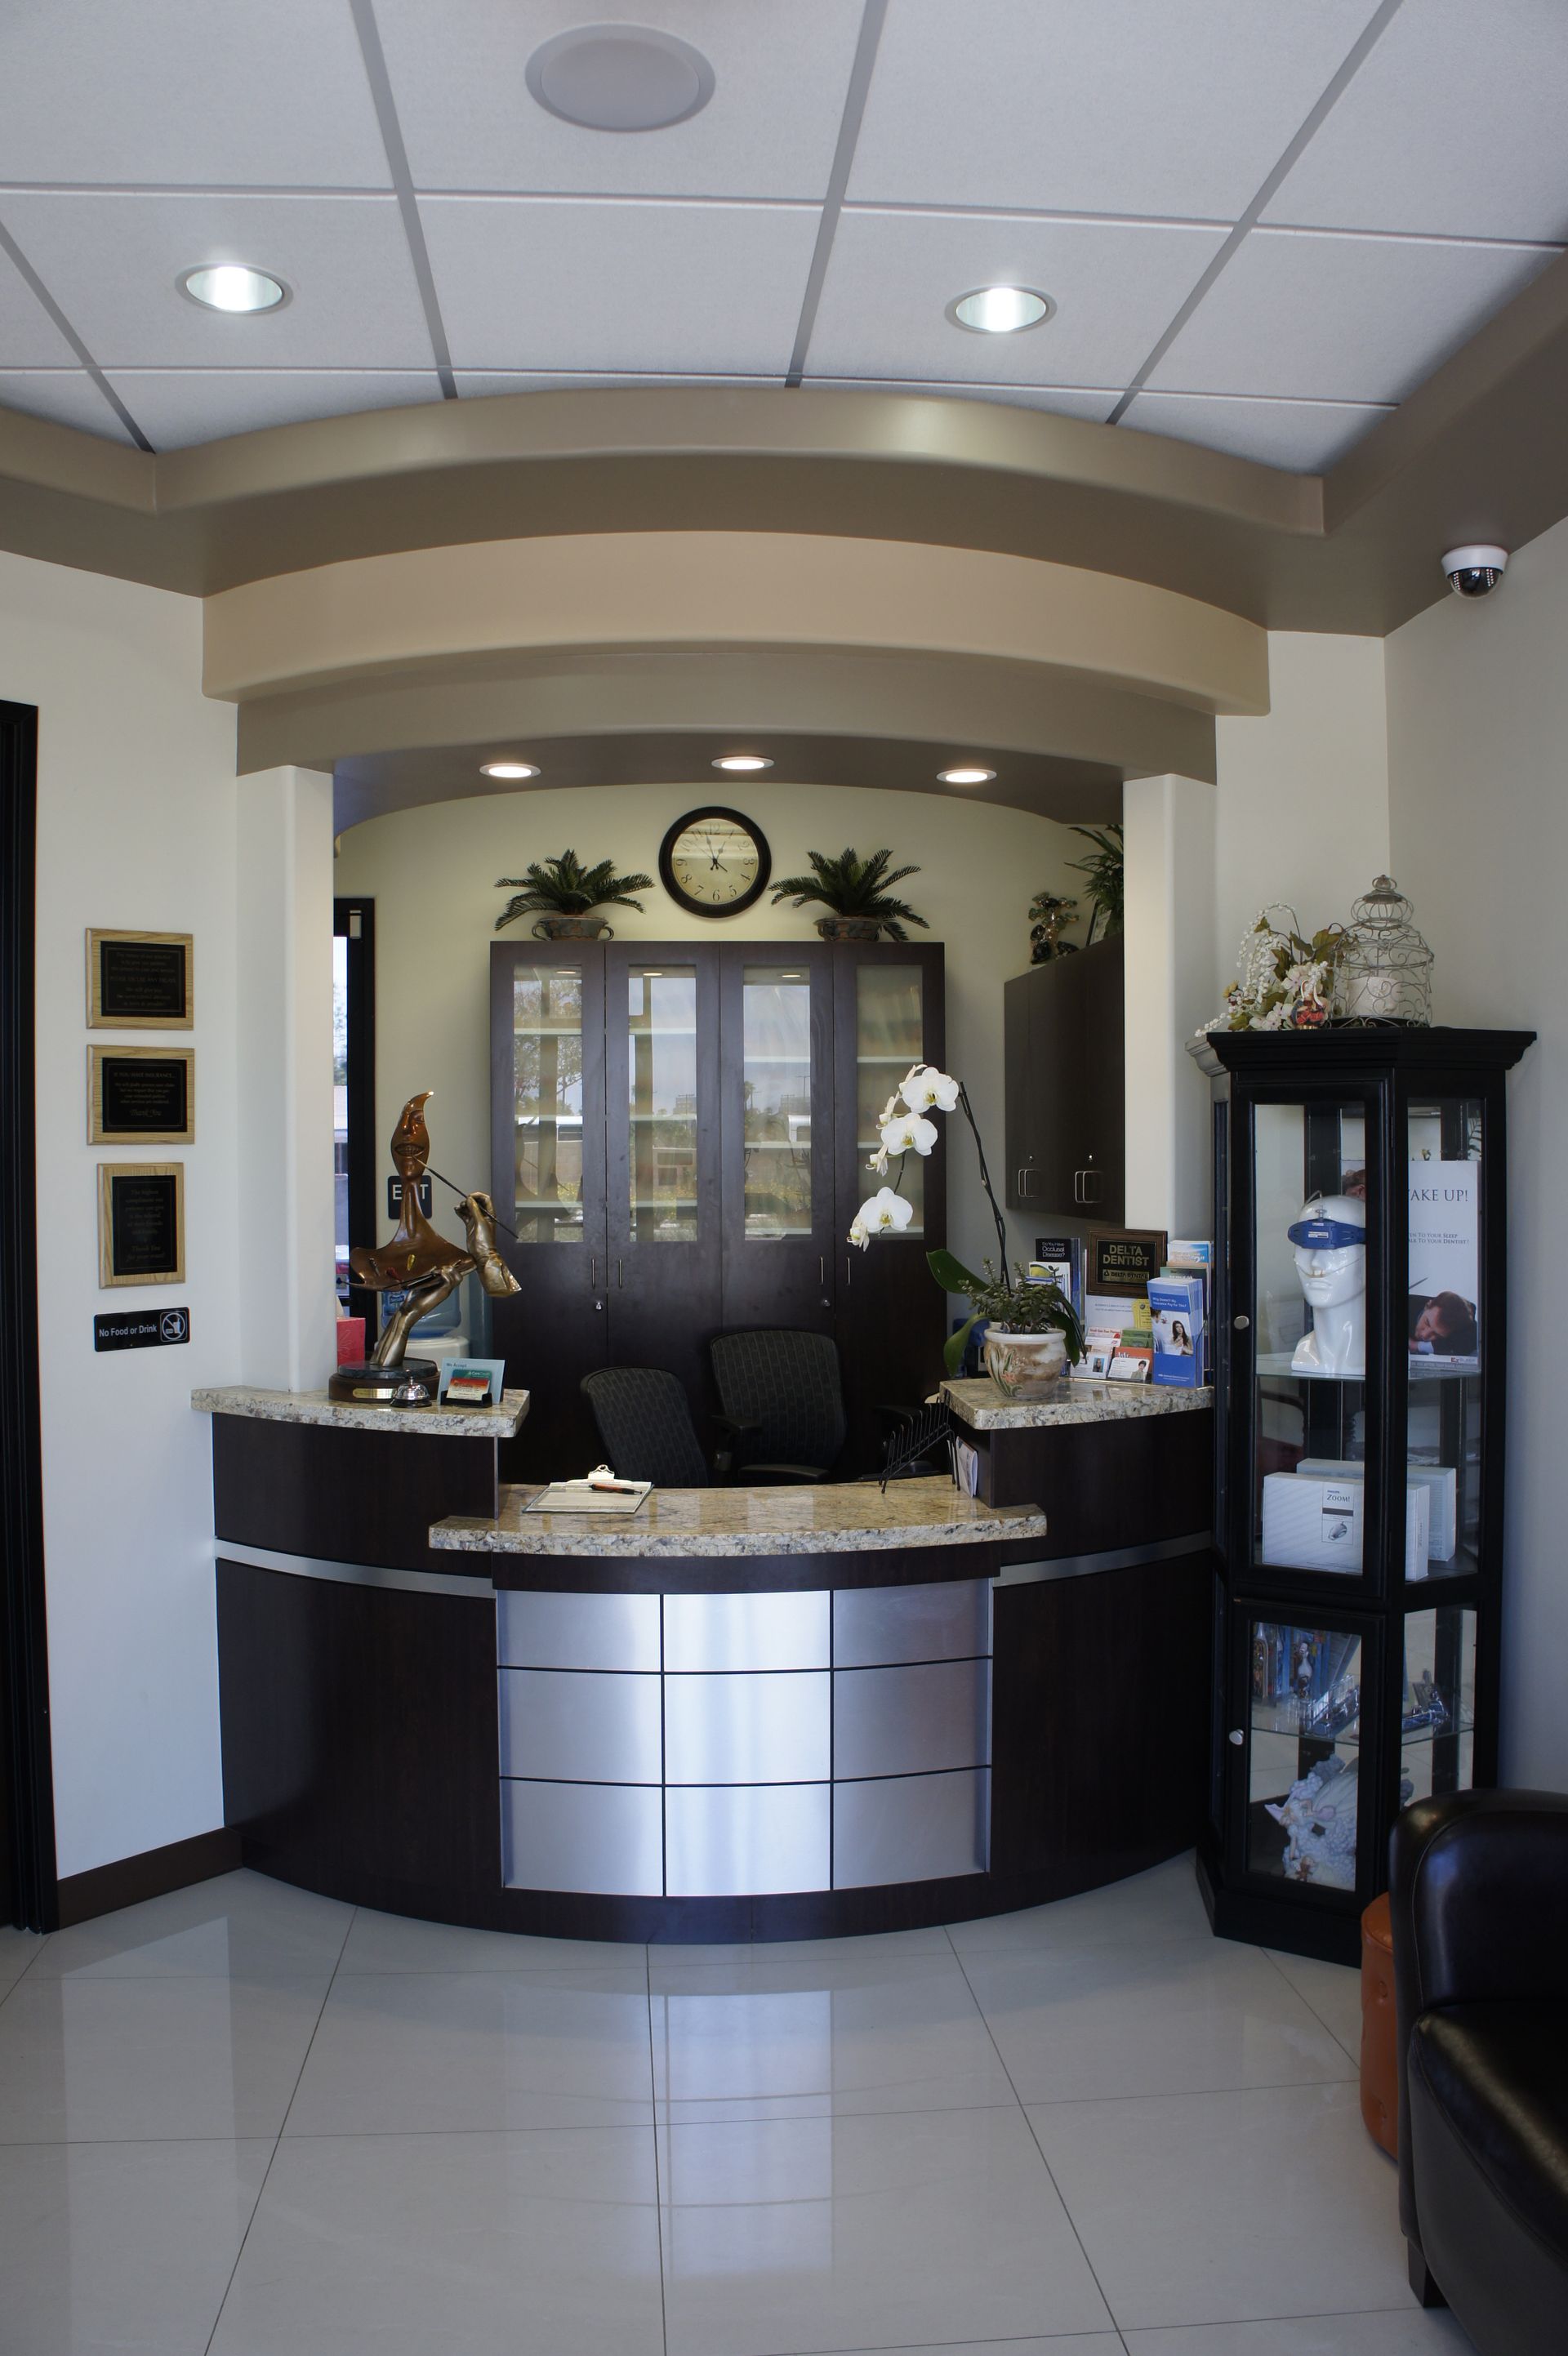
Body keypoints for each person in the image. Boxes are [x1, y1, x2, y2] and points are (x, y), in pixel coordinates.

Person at [1410, 1289, 1478, 1356]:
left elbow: (1473, 1337)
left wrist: (1417, 1346)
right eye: (1427, 1322)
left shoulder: (1463, 1326)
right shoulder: (1411, 1303)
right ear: (1428, 1305)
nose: (1424, 1335)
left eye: (1436, 1334)